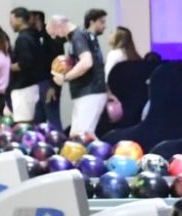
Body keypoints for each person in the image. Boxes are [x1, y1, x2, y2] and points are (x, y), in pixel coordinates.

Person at [52, 9, 108, 138]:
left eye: (54, 32)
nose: (55, 36)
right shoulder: (85, 37)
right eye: (102, 22)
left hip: (90, 91)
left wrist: (65, 77)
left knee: (81, 137)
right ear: (92, 22)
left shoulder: (79, 36)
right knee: (79, 135)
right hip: (89, 91)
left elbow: (87, 63)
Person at [8, 7, 48, 123]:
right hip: (32, 85)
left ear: (20, 20)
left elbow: (24, 63)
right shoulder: (34, 35)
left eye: (12, 19)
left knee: (23, 122)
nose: (10, 23)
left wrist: (6, 66)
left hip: (23, 87)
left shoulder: (23, 39)